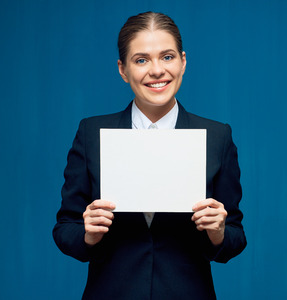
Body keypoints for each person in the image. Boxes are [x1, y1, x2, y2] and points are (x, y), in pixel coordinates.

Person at [53, 11, 246, 300]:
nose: (157, 70)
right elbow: (65, 227)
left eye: (167, 57)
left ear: (183, 61)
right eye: (141, 60)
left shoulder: (217, 137)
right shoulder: (91, 133)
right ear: (123, 69)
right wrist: (87, 234)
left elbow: (235, 236)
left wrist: (218, 231)